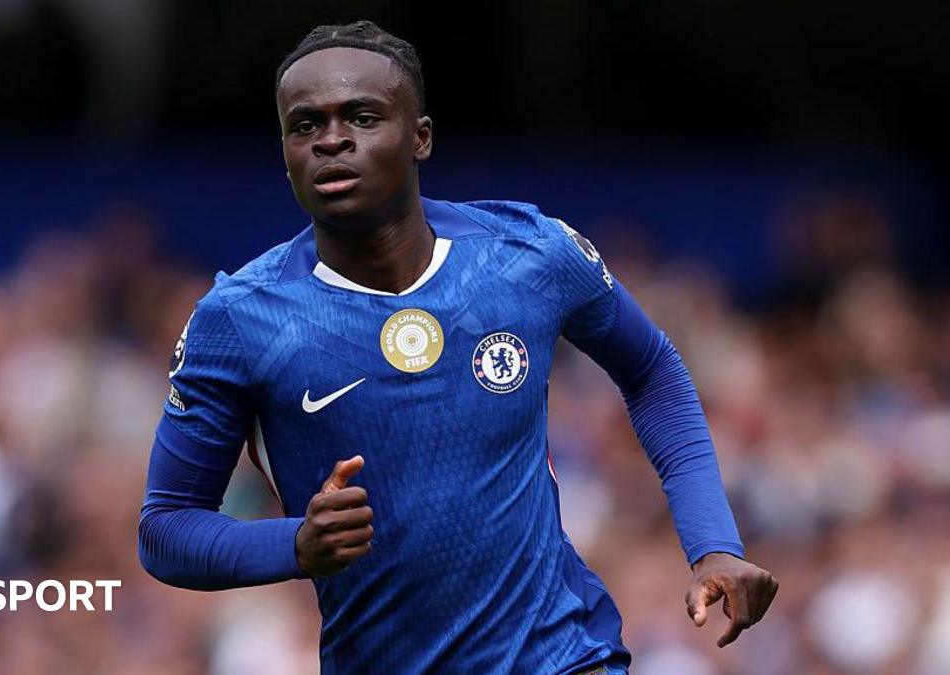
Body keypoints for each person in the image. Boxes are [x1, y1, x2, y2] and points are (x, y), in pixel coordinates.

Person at [138, 20, 777, 675]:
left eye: (362, 117)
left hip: (564, 657)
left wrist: (713, 543)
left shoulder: (528, 254)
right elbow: (165, 528)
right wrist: (295, 544)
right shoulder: (239, 318)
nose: (332, 140)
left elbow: (651, 369)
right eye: (305, 125)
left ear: (421, 137)